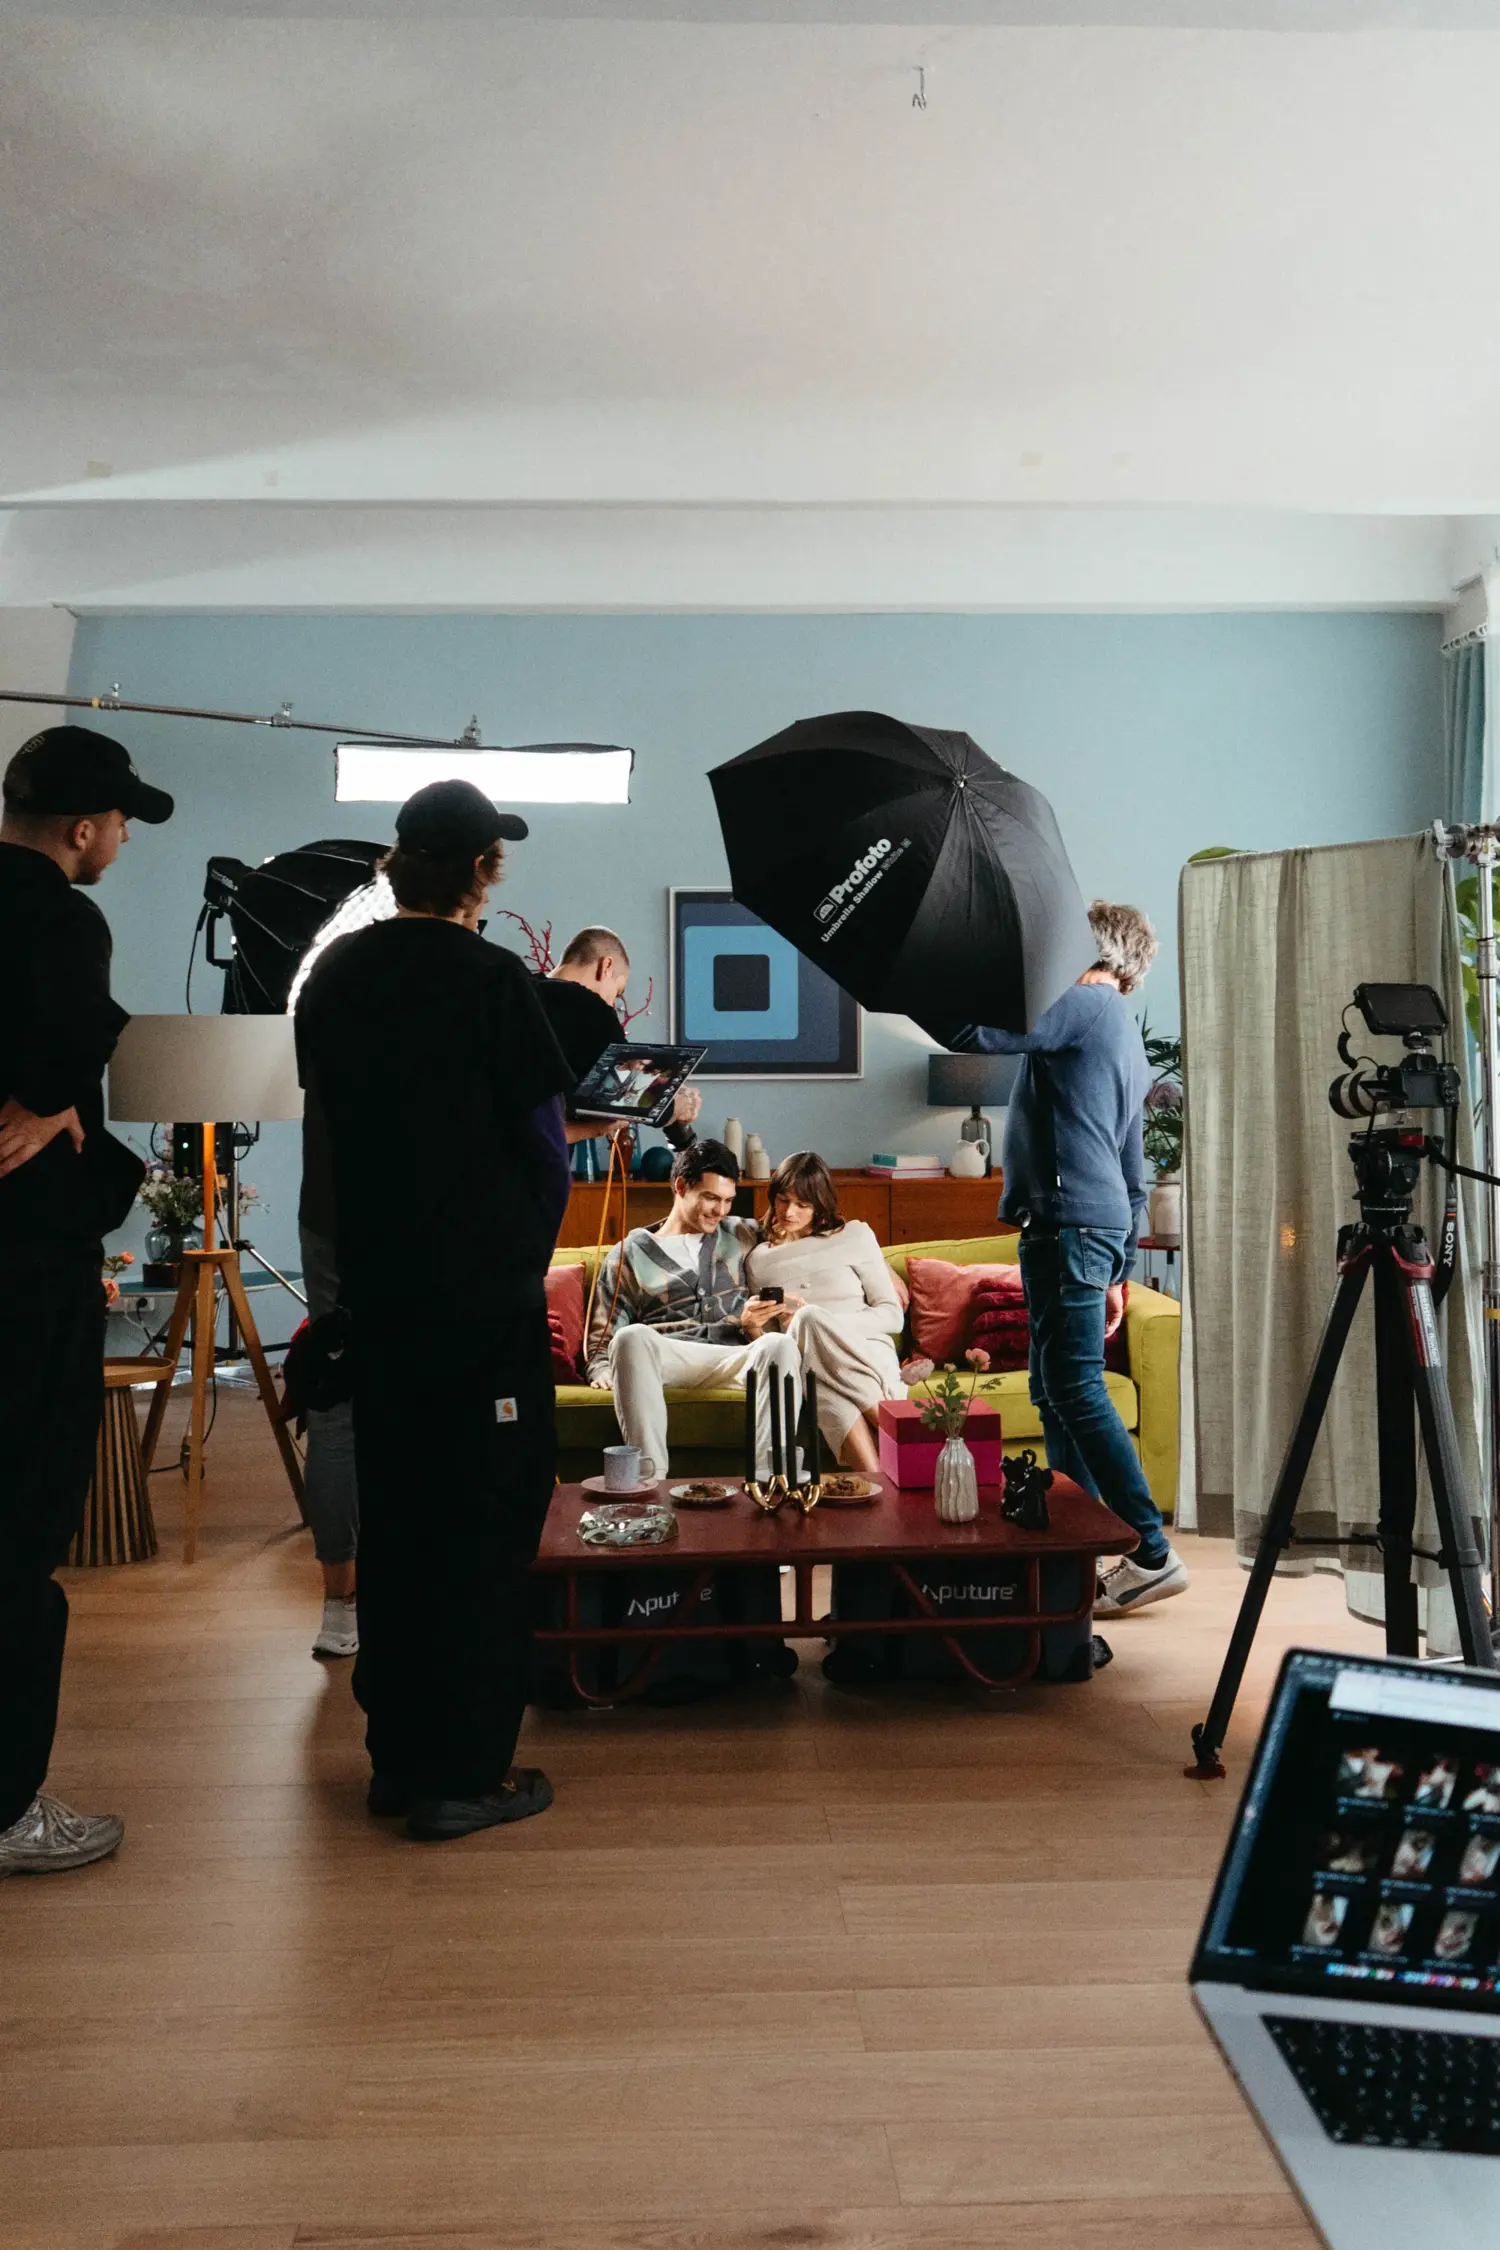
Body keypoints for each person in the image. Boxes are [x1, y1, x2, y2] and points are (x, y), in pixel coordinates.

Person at [295, 779, 573, 1843]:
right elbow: (544, 1156)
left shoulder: (334, 977)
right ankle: (466, 1772)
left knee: (402, 1524)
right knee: (487, 1528)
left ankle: (398, 1764)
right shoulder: (496, 980)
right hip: (480, 1309)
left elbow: (337, 1136)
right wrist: (515, 1265)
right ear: (480, 871)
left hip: (377, 1301)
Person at [0, 724, 173, 1876]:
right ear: (79, 829)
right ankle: (13, 1807)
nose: (120, 840)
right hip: (23, 1270)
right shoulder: (63, 916)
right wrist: (62, 1102)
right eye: (116, 823)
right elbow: (73, 1042)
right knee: (19, 1532)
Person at [952, 899, 1188, 1616]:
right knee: (1055, 1389)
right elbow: (1129, 1154)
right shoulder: (1116, 1025)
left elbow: (985, 1034)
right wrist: (1119, 1259)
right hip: (1081, 1223)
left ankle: (1150, 1549)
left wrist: (944, 988)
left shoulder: (1086, 1001)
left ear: (1094, 950)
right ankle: (1073, 1545)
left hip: (1067, 1222)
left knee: (1075, 1388)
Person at [585, 1138, 802, 1482]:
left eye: (728, 1201)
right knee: (631, 1338)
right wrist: (600, 1369)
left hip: (735, 1355)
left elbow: (810, 1234)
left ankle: (771, 1481)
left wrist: (872, 1269)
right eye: (711, 1198)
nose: (720, 1211)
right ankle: (648, 1480)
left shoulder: (742, 1232)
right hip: (671, 1356)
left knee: (780, 1346)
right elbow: (604, 1334)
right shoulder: (630, 1252)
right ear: (681, 1186)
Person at [744, 1151, 904, 1477]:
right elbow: (777, 1343)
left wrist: (818, 1323)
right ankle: (891, 1460)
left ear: (820, 1205)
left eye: (803, 1205)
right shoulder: (759, 1260)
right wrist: (756, 1330)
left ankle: (895, 1429)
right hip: (809, 1361)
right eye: (783, 1200)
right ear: (772, 1197)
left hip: (865, 1350)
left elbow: (892, 1315)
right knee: (822, 1387)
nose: (789, 1212)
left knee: (810, 1323)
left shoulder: (854, 1236)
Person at [537, 924, 701, 1151]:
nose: (612, 1004)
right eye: (618, 992)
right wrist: (677, 1107)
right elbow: (630, 1095)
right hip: (536, 1170)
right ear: (606, 966)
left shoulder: (520, 992)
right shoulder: (590, 1007)